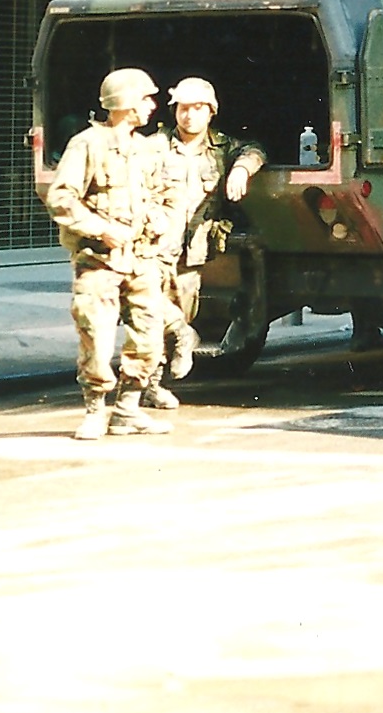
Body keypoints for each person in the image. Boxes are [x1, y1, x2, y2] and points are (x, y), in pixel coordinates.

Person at [44, 67, 174, 441]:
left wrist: (161, 222)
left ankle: (127, 411)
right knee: (96, 339)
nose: (152, 106)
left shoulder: (144, 148)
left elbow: (163, 193)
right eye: (145, 98)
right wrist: (101, 229)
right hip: (98, 259)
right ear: (125, 102)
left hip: (141, 258)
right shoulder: (87, 144)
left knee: (149, 337)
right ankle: (95, 409)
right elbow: (62, 197)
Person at [141, 76, 267, 411]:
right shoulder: (155, 146)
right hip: (154, 250)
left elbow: (255, 150)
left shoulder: (223, 147)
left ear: (211, 112)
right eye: (183, 108)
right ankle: (150, 384)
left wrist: (241, 169)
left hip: (191, 255)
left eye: (197, 108)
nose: (189, 115)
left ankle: (161, 373)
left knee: (177, 318)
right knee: (150, 314)